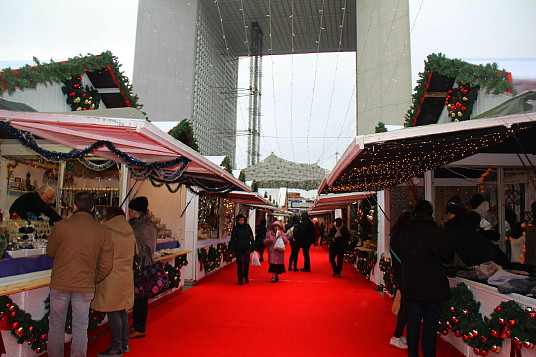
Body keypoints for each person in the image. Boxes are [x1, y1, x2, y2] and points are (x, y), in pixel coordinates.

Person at [46, 191, 113, 357]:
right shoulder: (102, 230)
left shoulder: (61, 226)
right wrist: (92, 277)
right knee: (81, 326)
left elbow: (51, 251)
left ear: (74, 206)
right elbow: (106, 265)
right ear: (92, 208)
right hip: (85, 284)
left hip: (60, 282)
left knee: (56, 324)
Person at [399, 200, 453, 357]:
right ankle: (429, 354)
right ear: (431, 214)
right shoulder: (437, 232)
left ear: (415, 213)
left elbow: (403, 254)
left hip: (412, 284)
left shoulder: (406, 232)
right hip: (433, 285)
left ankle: (413, 354)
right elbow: (448, 257)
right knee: (430, 324)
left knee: (413, 323)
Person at [91, 207, 136, 356]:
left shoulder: (107, 232)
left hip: (111, 276)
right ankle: (124, 344)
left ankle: (116, 348)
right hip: (125, 276)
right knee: (121, 310)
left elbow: (100, 254)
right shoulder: (130, 232)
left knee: (113, 311)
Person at [128, 196, 157, 339]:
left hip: (142, 265)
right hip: (136, 264)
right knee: (137, 297)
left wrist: (134, 249)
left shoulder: (146, 226)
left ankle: (140, 327)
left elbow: (148, 247)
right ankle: (136, 324)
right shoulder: (137, 223)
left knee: (141, 297)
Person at [388, 210, 411, 350]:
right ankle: (396, 336)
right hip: (403, 273)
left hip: (399, 273)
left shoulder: (396, 233)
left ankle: (398, 335)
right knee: (405, 306)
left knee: (405, 305)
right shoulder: (401, 235)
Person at [229, 214, 255, 285]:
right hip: (238, 247)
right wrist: (232, 247)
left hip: (246, 247)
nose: (242, 221)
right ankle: (240, 279)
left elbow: (251, 236)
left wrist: (253, 245)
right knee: (239, 263)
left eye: (243, 220)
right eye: (240, 220)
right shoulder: (235, 228)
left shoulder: (247, 227)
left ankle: (245, 275)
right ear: (237, 221)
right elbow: (232, 238)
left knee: (246, 263)